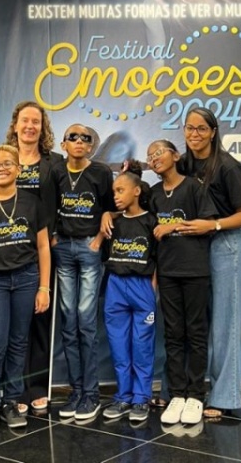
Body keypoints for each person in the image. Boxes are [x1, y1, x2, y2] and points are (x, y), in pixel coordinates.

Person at [0, 145, 51, 432]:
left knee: (18, 342)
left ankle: (11, 401)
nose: (1, 168)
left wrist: (44, 287)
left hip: (27, 278)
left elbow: (43, 246)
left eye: (7, 163)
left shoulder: (32, 202)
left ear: (18, 169)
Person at [179, 107, 241, 419]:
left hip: (226, 245)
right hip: (193, 246)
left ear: (212, 132)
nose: (194, 134)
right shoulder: (184, 165)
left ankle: (224, 397)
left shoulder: (228, 166)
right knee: (192, 322)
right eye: (189, 128)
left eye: (201, 129)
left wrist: (214, 225)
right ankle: (184, 391)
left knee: (225, 323)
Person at [147, 138, 217, 425]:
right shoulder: (153, 194)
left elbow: (207, 225)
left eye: (159, 152)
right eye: (150, 156)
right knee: (173, 333)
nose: (154, 158)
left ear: (176, 156)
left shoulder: (193, 187)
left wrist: (173, 225)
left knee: (196, 333)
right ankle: (177, 394)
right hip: (167, 272)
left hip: (195, 271)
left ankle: (196, 395)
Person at [51, 124, 115, 421]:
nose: (79, 141)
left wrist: (99, 240)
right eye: (72, 137)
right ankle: (76, 391)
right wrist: (54, 238)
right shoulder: (55, 171)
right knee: (69, 322)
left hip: (90, 249)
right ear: (63, 144)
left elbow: (111, 209)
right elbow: (48, 207)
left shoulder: (100, 172)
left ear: (91, 146)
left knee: (86, 322)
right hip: (63, 248)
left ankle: (91, 395)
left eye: (85, 138)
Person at [5, 100, 63, 412]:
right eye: (25, 120)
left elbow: (63, 203)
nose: (30, 126)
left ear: (42, 128)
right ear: (15, 125)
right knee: (12, 325)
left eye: (36, 122)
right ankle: (13, 389)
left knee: (40, 319)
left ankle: (37, 386)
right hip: (6, 251)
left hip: (42, 251)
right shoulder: (3, 160)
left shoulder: (54, 163)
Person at [101, 160, 157, 424]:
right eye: (114, 191)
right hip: (115, 286)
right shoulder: (112, 222)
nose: (116, 196)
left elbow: (159, 258)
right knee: (118, 345)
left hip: (141, 286)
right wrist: (106, 214)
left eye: (121, 190)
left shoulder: (151, 222)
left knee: (142, 346)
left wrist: (152, 290)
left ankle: (141, 398)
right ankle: (123, 397)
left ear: (136, 191)